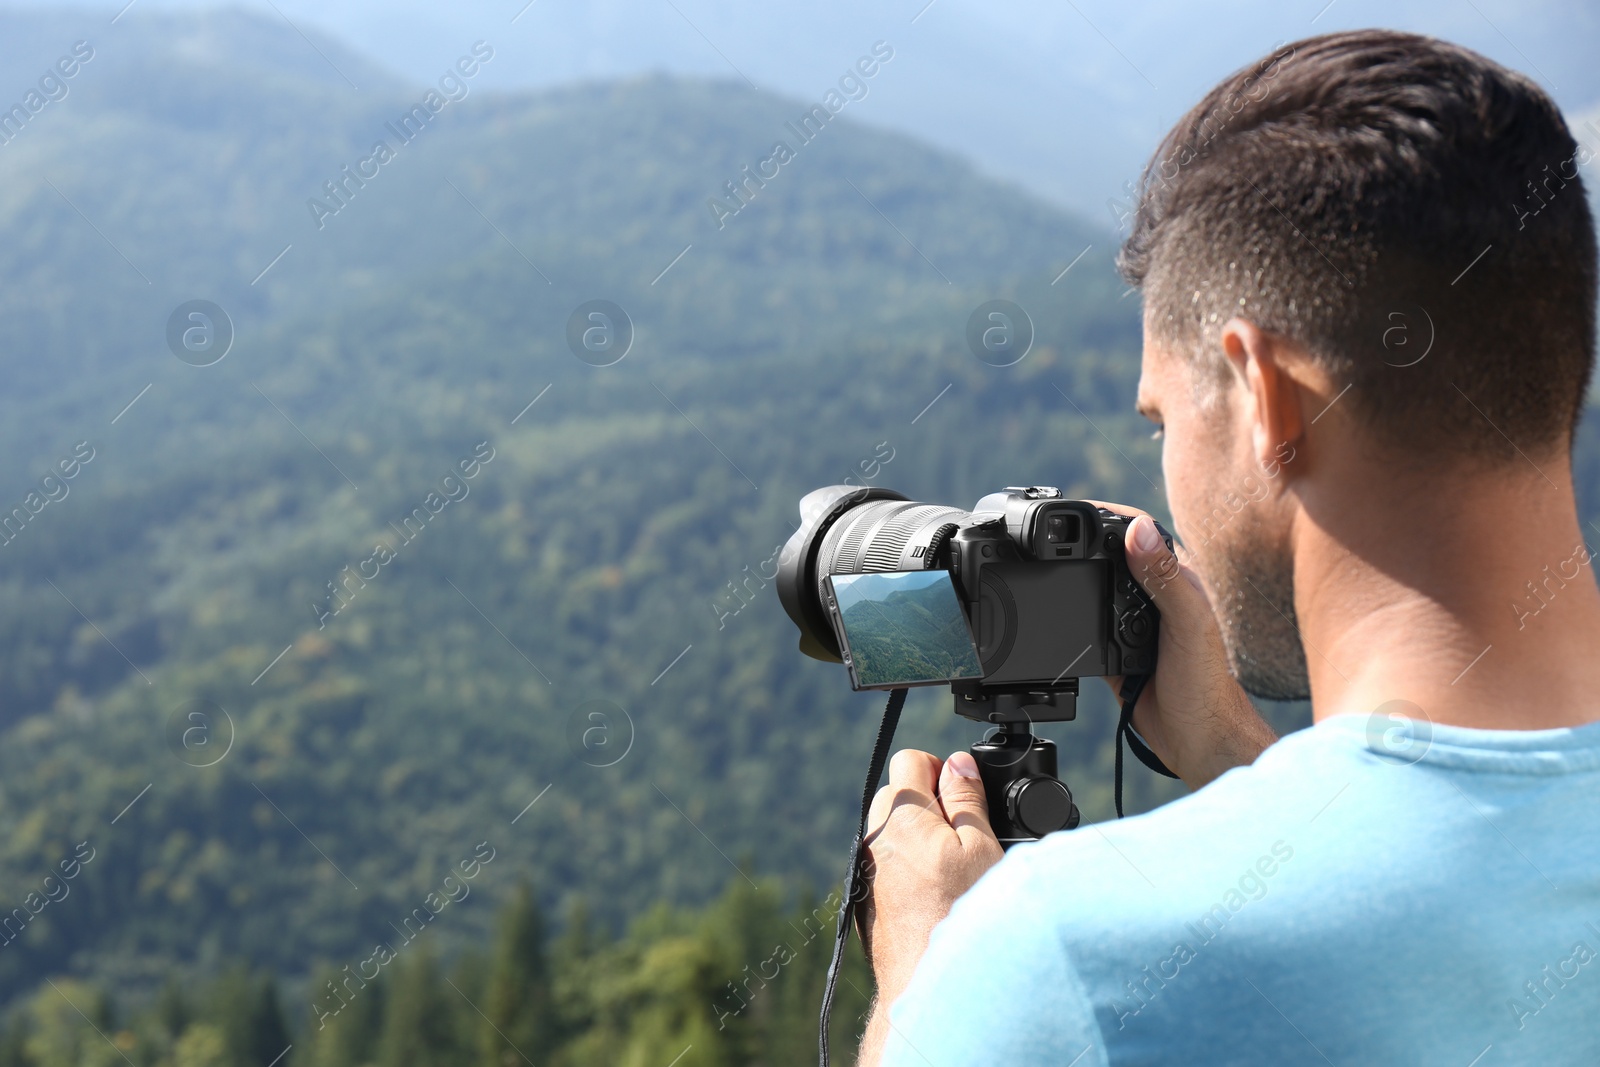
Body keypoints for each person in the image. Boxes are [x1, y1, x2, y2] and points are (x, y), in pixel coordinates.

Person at [860, 29, 1600, 1066]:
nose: (1164, 468)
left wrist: (921, 980)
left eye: (1163, 421)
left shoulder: (1071, 955)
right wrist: (1242, 764)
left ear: (1267, 398)